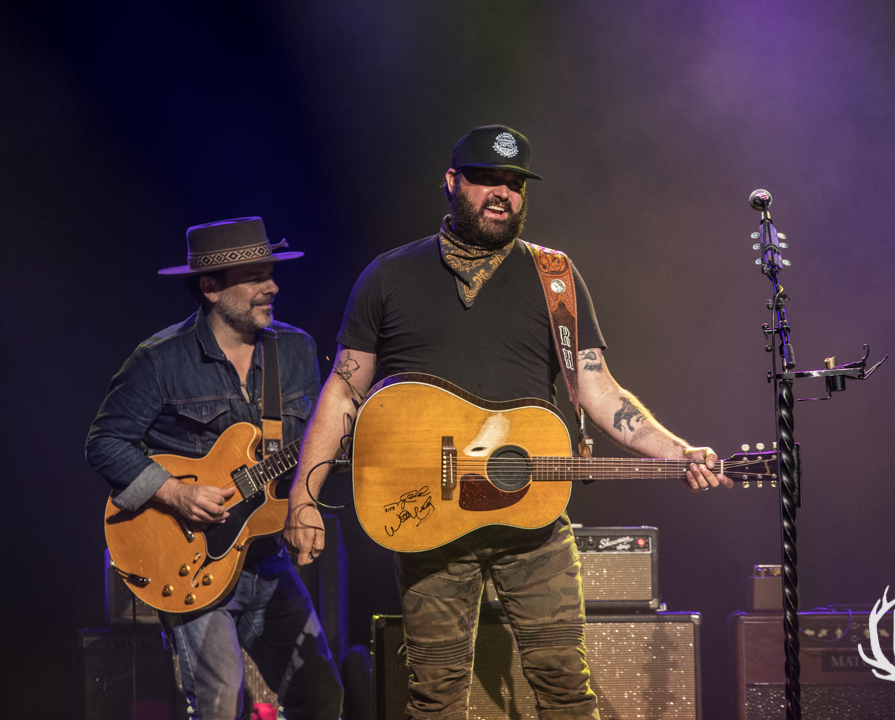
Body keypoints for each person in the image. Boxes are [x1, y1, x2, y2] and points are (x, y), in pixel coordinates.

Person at [284, 125, 733, 720]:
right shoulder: (388, 277)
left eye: (514, 183)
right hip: (427, 521)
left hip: (532, 524)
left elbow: (599, 389)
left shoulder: (556, 277)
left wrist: (679, 452)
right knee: (435, 701)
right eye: (486, 179)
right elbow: (343, 391)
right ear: (452, 182)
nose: (502, 193)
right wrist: (303, 498)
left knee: (567, 690)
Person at [86, 217, 343, 720]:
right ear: (210, 288)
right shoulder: (159, 359)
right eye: (255, 277)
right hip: (190, 559)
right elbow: (104, 443)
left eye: (271, 273)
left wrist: (306, 499)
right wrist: (175, 494)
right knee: (222, 700)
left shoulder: (296, 349)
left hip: (266, 556)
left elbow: (314, 446)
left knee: (321, 695)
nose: (272, 286)